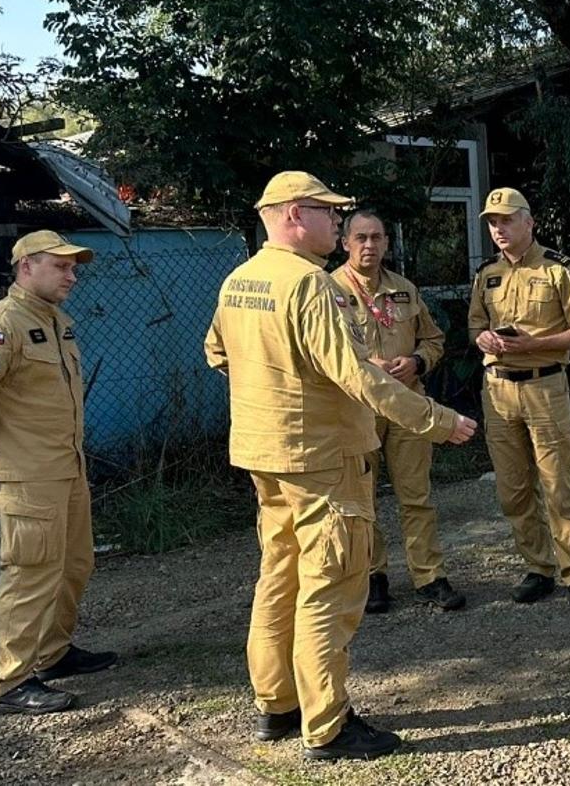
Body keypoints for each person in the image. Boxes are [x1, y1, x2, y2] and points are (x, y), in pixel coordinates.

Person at [204, 171, 476, 761]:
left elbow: (217, 353)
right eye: (330, 213)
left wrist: (276, 398)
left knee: (280, 577)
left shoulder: (239, 280)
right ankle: (326, 724)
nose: (338, 224)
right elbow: (357, 377)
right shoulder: (310, 285)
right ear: (297, 214)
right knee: (330, 585)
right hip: (323, 459)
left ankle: (277, 704)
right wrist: (436, 420)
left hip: (267, 455)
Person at [0, 229, 118, 715]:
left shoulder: (56, 321)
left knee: (74, 564)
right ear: (26, 267)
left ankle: (52, 654)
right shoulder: (0, 324)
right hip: (25, 473)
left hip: (65, 467)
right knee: (30, 574)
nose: (72, 274)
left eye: (73, 266)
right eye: (60, 266)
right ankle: (13, 680)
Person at [467, 187, 570, 615]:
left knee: (558, 484)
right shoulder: (486, 274)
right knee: (512, 488)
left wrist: (533, 345)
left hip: (545, 386)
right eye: (493, 222)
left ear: (530, 222)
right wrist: (484, 338)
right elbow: (475, 327)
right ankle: (538, 568)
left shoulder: (559, 270)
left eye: (507, 220)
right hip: (498, 391)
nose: (499, 229)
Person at [331, 210, 463, 614]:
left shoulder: (404, 289)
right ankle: (373, 577)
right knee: (361, 500)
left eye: (377, 237)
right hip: (358, 410)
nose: (369, 245)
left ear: (388, 242)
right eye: (361, 238)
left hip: (408, 407)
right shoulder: (328, 290)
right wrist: (369, 368)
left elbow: (434, 339)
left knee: (416, 496)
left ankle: (429, 576)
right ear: (345, 243)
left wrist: (418, 362)